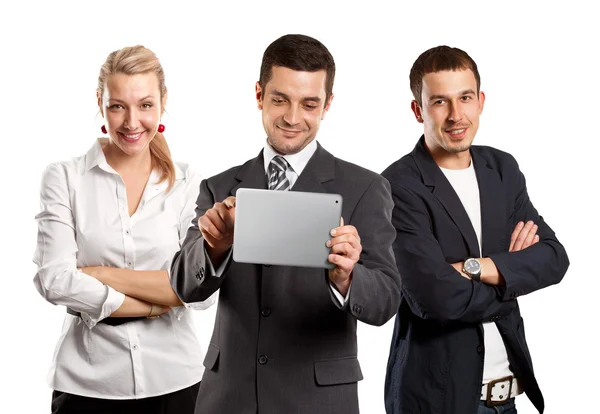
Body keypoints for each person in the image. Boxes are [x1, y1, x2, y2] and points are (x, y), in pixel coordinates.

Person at [170, 34, 401, 414]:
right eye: (280, 100)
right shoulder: (220, 187)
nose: (293, 118)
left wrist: (347, 277)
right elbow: (184, 286)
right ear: (259, 95)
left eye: (309, 103)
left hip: (318, 400)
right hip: (229, 398)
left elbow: (386, 301)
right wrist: (214, 247)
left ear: (327, 105)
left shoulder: (366, 188)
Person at [382, 46, 570, 414]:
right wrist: (511, 274)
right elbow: (434, 297)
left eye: (465, 98)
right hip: (437, 401)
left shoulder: (501, 169)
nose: (456, 115)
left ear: (480, 101)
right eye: (440, 102)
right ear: (417, 110)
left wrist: (473, 268)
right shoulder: (398, 185)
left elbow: (554, 258)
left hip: (508, 400)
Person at [33, 45, 215, 414]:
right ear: (99, 103)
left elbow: (201, 290)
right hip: (87, 387)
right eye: (117, 106)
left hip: (177, 383)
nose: (132, 122)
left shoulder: (187, 182)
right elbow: (54, 279)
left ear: (163, 102)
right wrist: (151, 306)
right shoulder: (64, 178)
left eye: (145, 105)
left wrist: (101, 275)